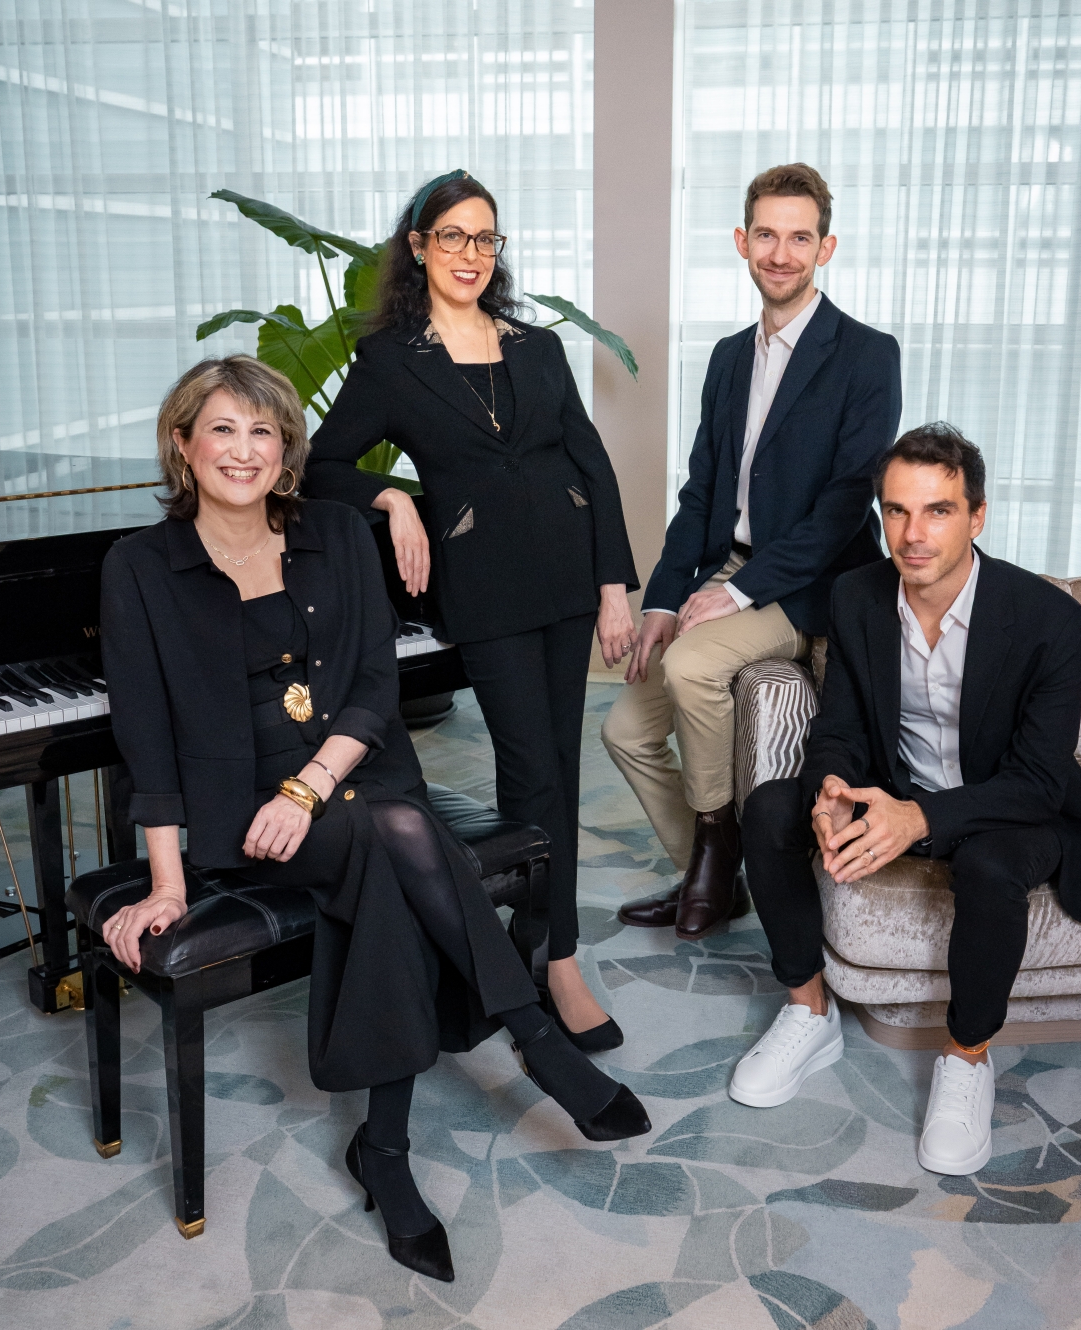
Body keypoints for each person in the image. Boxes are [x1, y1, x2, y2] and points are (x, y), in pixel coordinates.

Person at [97, 356, 651, 1283]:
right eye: (222, 429)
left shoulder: (337, 533)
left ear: (286, 452)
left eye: (264, 431)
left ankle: (384, 1150)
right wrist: (166, 881)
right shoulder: (140, 566)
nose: (244, 449)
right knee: (395, 840)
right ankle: (531, 1033)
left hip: (346, 774)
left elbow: (370, 689)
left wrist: (311, 786)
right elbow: (145, 736)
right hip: (249, 816)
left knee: (385, 844)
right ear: (184, 444)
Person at [731, 423, 1081, 1175]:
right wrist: (832, 788)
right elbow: (840, 725)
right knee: (771, 808)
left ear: (977, 516)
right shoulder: (858, 596)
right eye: (897, 511)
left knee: (989, 865)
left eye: (938, 510)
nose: (913, 535)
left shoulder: (1048, 620)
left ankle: (968, 1055)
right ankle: (809, 1010)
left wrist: (921, 818)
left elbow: (1039, 780)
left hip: (1007, 806)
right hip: (897, 788)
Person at [304, 170, 639, 1051]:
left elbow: (591, 464)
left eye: (485, 238)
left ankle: (547, 947)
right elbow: (321, 467)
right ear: (417, 246)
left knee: (558, 764)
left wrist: (615, 584)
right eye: (452, 236)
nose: (470, 254)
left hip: (569, 578)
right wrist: (397, 497)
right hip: (485, 588)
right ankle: (550, 958)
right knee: (529, 766)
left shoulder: (536, 346)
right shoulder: (388, 361)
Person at [603, 163, 903, 941]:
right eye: (766, 234)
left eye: (799, 237)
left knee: (695, 666)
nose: (781, 252)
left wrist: (736, 595)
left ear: (825, 247)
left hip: (811, 585)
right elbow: (700, 494)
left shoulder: (868, 355)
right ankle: (713, 872)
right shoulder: (730, 357)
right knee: (623, 732)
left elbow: (844, 506)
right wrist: (666, 599)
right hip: (730, 568)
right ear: (742, 242)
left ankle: (712, 855)